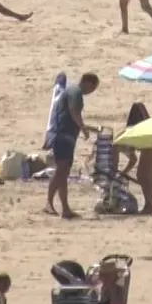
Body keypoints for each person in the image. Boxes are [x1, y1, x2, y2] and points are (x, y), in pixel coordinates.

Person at [47, 72, 97, 219]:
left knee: (64, 173)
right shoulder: (76, 92)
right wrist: (83, 128)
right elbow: (74, 111)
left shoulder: (71, 91)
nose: (91, 92)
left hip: (65, 136)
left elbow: (70, 115)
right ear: (88, 82)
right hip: (63, 136)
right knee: (61, 170)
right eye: (92, 88)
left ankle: (65, 209)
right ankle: (48, 203)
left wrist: (88, 128)